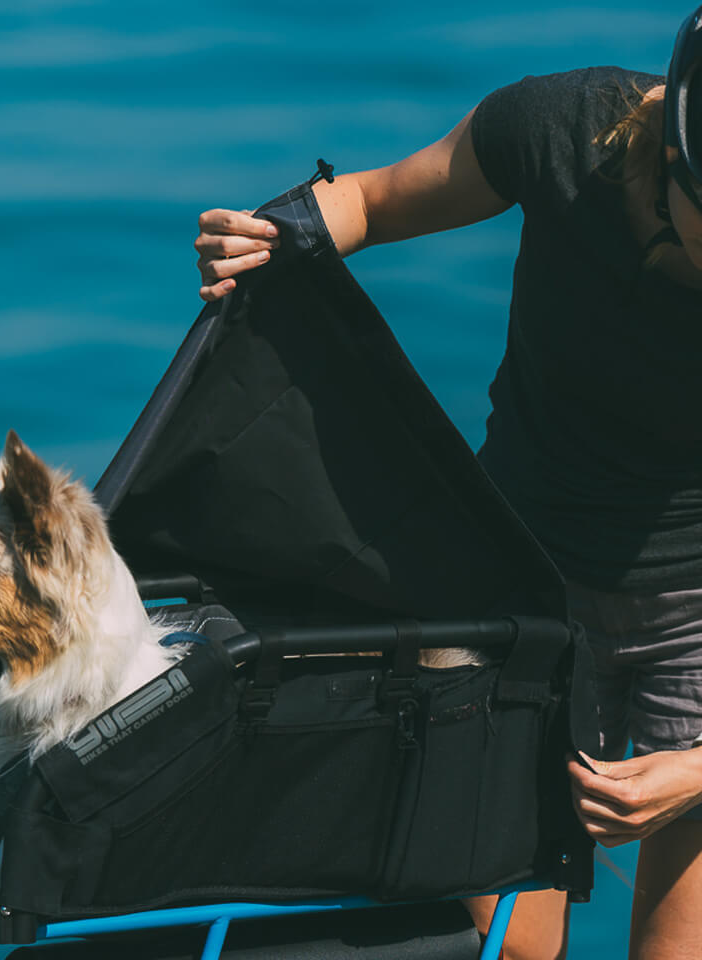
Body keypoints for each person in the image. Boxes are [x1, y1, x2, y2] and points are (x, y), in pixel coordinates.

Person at [194, 8, 702, 960]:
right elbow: (375, 202)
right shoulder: (559, 130)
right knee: (506, 948)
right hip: (523, 588)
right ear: (673, 154)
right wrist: (276, 234)